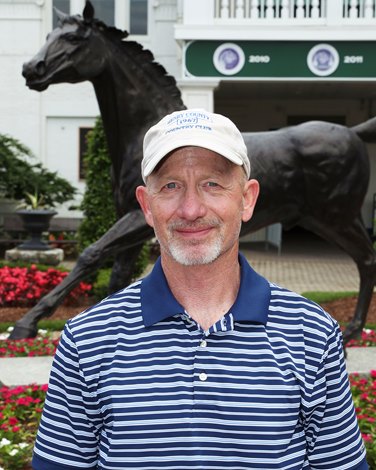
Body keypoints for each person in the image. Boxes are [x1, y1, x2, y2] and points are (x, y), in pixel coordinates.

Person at [32, 109, 368, 470]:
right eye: (171, 186)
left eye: (213, 183)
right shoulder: (87, 340)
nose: (191, 209)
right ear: (147, 205)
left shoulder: (312, 334)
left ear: (247, 199)